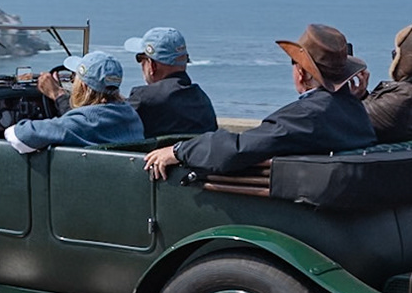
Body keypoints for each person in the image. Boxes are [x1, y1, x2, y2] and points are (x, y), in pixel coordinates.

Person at [143, 24, 375, 180]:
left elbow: (238, 149)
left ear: (302, 73)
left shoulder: (309, 115)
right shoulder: (355, 110)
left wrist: (179, 150)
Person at [37, 26, 218, 136]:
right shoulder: (201, 99)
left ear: (152, 65)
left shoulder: (146, 98)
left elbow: (91, 126)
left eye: (140, 59)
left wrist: (57, 94)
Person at [5, 52, 145, 153]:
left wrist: (58, 95)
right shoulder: (131, 116)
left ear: (83, 87)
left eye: (74, 78)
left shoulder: (84, 122)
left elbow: (18, 137)